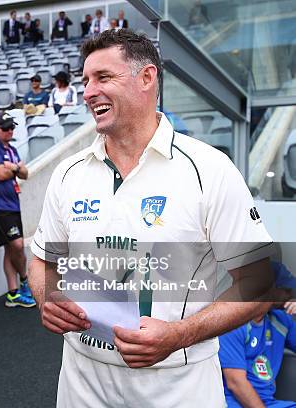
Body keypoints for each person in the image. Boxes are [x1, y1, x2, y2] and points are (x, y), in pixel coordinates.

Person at [28, 29, 275, 407]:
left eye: (103, 77)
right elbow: (43, 260)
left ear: (147, 78)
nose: (89, 91)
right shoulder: (68, 173)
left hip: (177, 384)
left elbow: (258, 283)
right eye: (85, 81)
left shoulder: (209, 169)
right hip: (81, 381)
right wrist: (49, 297)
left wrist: (178, 335)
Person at [219, 261, 295, 408]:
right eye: (285, 289)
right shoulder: (232, 323)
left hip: (269, 403)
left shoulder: (282, 319)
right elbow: (236, 382)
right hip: (233, 403)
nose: (290, 295)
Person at [0, 112, 35, 308]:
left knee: (10, 248)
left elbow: (25, 173)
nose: (9, 131)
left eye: (11, 127)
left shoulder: (12, 149)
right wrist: (15, 168)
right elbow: (1, 174)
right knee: (17, 245)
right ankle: (24, 279)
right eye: (5, 128)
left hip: (13, 204)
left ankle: (13, 292)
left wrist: (12, 166)